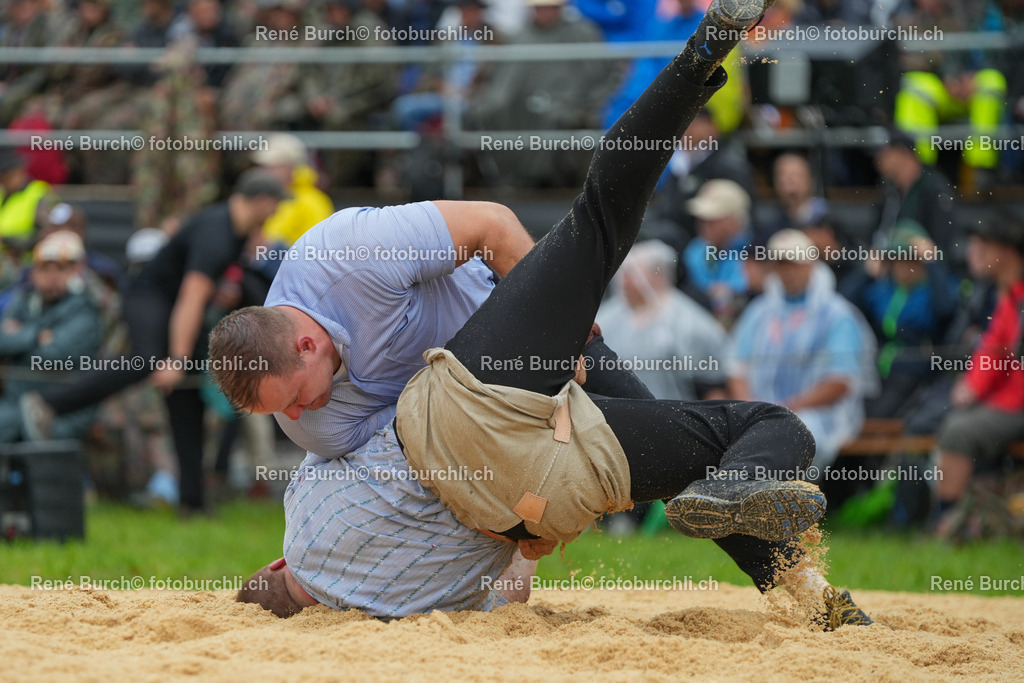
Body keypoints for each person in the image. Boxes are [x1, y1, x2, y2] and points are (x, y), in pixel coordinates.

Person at [217, 0, 872, 627]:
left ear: (304, 342)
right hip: (472, 413)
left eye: (293, 399)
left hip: (498, 358)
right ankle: (696, 58)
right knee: (605, 228)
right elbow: (405, 474)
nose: (294, 417)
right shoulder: (312, 431)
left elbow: (495, 227)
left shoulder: (345, 253)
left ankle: (808, 594)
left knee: (680, 445)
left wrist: (563, 326)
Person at [19, 169, 287, 515]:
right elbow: (191, 298)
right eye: (276, 204)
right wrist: (175, 358)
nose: (278, 212)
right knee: (148, 361)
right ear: (262, 202)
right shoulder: (218, 234)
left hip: (171, 308)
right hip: (151, 301)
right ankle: (48, 405)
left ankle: (192, 502)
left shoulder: (233, 228)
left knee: (188, 400)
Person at [729, 229, 878, 473]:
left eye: (794, 264)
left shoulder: (837, 315)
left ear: (810, 264)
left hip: (819, 416)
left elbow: (842, 381)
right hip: (761, 416)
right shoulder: (759, 312)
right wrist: (752, 409)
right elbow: (736, 368)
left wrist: (788, 407)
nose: (788, 272)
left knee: (788, 442)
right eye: (781, 264)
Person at [934, 215, 1024, 525]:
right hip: (1007, 399)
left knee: (958, 429)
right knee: (950, 420)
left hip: (1016, 401)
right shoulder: (1008, 295)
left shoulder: (1017, 296)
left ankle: (948, 523)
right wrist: (971, 386)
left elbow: (1001, 355)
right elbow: (992, 351)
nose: (978, 251)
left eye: (986, 244)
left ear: (1009, 251)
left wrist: (974, 388)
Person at [0, 231, 101, 443]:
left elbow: (51, 356)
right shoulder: (23, 302)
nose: (52, 276)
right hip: (13, 406)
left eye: (61, 269)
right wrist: (36, 335)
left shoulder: (85, 310)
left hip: (57, 414)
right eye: (45, 268)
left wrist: (18, 338)